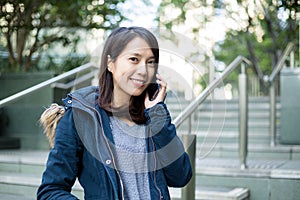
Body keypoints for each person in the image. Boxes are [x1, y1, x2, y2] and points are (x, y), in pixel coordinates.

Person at [37, 26, 192, 200]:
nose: (143, 70)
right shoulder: (81, 116)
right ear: (111, 63)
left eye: (150, 62)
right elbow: (50, 191)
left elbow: (180, 176)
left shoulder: (153, 116)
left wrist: (158, 115)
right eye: (134, 59)